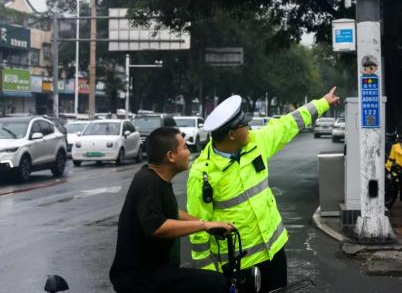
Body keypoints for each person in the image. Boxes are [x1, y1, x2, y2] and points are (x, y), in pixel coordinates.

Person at [187, 87, 340, 292]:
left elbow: (288, 124)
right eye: (244, 125)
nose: (249, 128)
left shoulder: (255, 144)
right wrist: (208, 278)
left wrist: (322, 103)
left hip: (274, 253)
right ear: (232, 134)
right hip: (237, 264)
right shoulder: (202, 173)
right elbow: (198, 230)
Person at [109, 127, 233, 293]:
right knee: (216, 283)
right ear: (170, 156)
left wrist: (210, 224)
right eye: (184, 147)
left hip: (156, 270)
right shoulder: (147, 182)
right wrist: (203, 225)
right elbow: (157, 227)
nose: (188, 152)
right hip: (137, 278)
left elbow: (172, 212)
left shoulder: (157, 178)